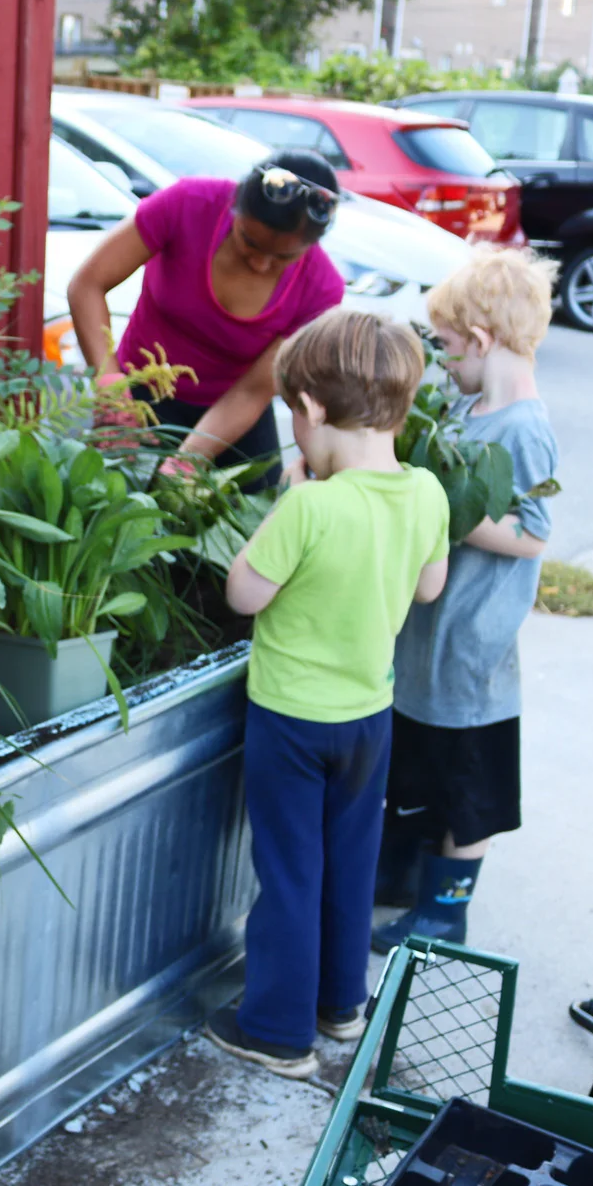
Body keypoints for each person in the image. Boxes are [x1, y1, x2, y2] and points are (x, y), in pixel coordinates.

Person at [203, 309, 450, 1080]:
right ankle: (342, 1003)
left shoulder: (310, 505)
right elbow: (430, 585)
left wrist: (287, 501)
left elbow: (243, 593)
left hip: (291, 722)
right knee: (350, 860)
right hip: (369, 718)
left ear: (308, 409)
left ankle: (276, 1030)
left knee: (289, 870)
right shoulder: (427, 492)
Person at [373, 249, 560, 951]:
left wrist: (444, 510)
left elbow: (533, 534)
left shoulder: (522, 428)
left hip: (473, 644)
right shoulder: (464, 407)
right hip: (431, 632)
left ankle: (446, 910)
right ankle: (403, 875)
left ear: (480, 341)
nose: (444, 362)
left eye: (448, 347)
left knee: (467, 787)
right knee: (418, 761)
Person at [66, 148, 346, 483]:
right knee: (109, 496)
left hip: (233, 412)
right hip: (140, 391)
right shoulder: (189, 204)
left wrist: (188, 460)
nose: (260, 264)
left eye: (282, 258)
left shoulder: (321, 289)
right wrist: (111, 389)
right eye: (249, 242)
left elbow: (253, 391)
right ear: (234, 207)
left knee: (256, 506)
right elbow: (88, 285)